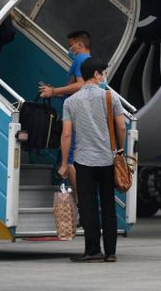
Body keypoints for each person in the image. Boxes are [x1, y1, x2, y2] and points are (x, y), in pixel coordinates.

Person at [58, 57, 125, 262]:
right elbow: (121, 126)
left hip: (83, 160)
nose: (105, 76)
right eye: (103, 73)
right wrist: (119, 150)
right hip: (107, 159)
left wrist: (63, 163)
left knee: (88, 205)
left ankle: (92, 250)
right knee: (107, 205)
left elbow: (67, 134)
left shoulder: (70, 102)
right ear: (96, 74)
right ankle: (111, 252)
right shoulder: (110, 96)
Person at [40, 30, 92, 205]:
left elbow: (80, 85)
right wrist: (56, 93)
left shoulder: (80, 60)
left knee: (69, 161)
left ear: (79, 44)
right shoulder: (90, 63)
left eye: (71, 45)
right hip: (84, 113)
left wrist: (54, 91)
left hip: (76, 113)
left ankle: (81, 203)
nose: (69, 49)